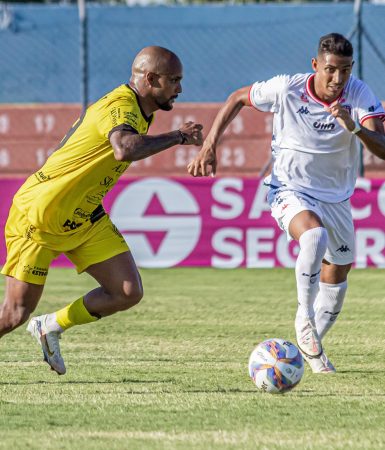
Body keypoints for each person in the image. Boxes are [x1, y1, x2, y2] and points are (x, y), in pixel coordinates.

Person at [188, 33, 385, 373]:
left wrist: (354, 128)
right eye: (330, 70)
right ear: (315, 65)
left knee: (338, 271)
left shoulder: (359, 94)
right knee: (313, 236)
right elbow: (237, 97)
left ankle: (307, 349)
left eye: (345, 71)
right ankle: (304, 318)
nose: (338, 79)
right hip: (290, 189)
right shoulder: (286, 88)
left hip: (337, 198)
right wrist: (209, 145)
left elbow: (382, 146)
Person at [0, 46, 203, 375]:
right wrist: (179, 136)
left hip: (83, 217)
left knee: (126, 292)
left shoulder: (141, 109)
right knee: (13, 313)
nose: (179, 89)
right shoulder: (120, 105)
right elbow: (123, 150)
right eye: (174, 80)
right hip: (40, 217)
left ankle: (50, 325)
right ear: (150, 79)